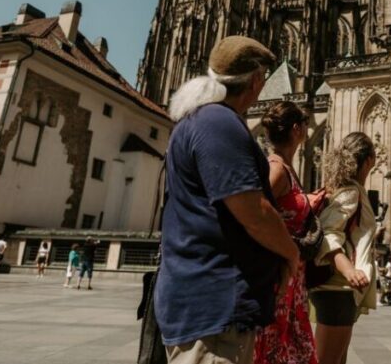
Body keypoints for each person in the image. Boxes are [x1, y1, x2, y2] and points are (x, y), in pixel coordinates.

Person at [154, 36, 299, 364]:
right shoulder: (219, 123)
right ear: (258, 81)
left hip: (207, 306)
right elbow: (253, 211)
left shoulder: (198, 119)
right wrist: (290, 253)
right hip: (214, 307)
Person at [253, 101, 318, 364]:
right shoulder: (276, 169)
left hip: (291, 279)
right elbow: (256, 212)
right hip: (278, 277)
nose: (307, 128)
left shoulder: (286, 168)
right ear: (295, 130)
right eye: (305, 124)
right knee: (274, 349)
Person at [311, 132, 378, 364]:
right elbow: (329, 233)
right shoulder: (350, 191)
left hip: (339, 290)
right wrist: (349, 270)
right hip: (337, 288)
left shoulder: (342, 189)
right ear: (368, 161)